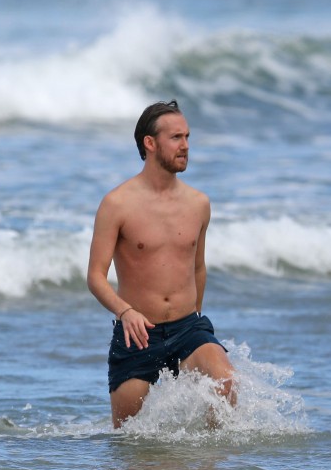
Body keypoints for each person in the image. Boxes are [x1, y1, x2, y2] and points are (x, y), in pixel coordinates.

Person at [86, 100, 235, 428]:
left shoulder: (199, 203)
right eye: (176, 138)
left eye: (187, 137)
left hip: (188, 327)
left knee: (227, 384)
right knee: (131, 441)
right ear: (149, 143)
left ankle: (206, 468)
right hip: (137, 333)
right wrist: (125, 312)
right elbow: (95, 276)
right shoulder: (117, 204)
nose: (185, 146)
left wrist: (195, 318)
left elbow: (197, 268)